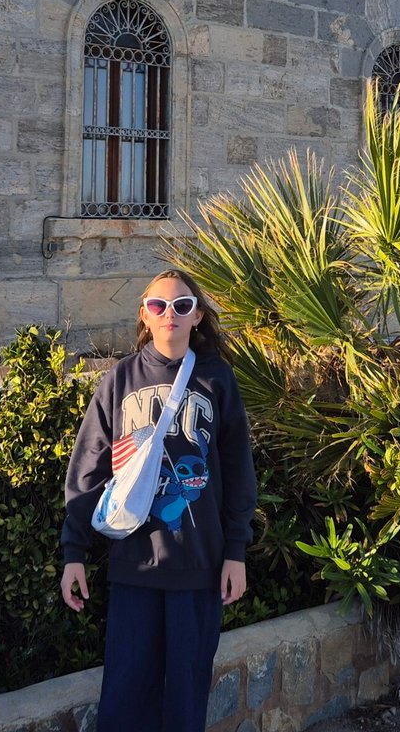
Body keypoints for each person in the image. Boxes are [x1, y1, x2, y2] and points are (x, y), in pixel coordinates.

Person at [60, 268, 258, 732]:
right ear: (144, 315)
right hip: (135, 566)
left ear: (198, 315)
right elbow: (87, 468)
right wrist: (74, 553)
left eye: (182, 305)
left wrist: (236, 553)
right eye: (158, 305)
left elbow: (238, 470)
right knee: (126, 699)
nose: (170, 314)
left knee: (186, 700)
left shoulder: (217, 380)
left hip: (199, 566)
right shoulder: (120, 380)